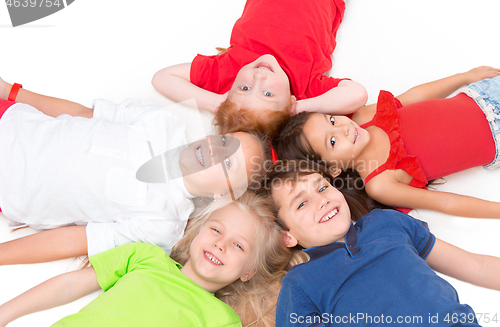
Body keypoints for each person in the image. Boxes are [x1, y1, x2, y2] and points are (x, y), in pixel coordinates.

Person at [0, 77, 271, 265]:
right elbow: (80, 114)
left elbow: (74, 240)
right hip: (11, 120)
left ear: (222, 194)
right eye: (225, 142)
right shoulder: (162, 122)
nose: (214, 151)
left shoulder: (163, 223)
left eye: (227, 163)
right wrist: (10, 91)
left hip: (8, 189)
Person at [258, 159, 500, 326]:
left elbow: (476, 265)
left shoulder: (387, 222)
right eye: (301, 203)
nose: (321, 200)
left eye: (322, 187)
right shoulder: (300, 282)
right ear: (287, 236)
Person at [0, 192, 292, 327]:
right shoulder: (146, 256)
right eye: (216, 230)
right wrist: (6, 313)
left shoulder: (223, 320)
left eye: (238, 245)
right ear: (198, 232)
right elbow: (69, 285)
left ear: (248, 272)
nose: (220, 244)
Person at [275, 66, 500, 218]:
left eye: (332, 119)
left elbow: (415, 96)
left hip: (483, 95)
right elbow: (445, 203)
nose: (343, 128)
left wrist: (466, 76)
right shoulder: (379, 183)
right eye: (332, 141)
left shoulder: (365, 117)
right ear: (334, 169)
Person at [151, 0, 367, 138]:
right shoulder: (303, 89)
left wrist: (218, 104)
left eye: (244, 89)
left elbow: (161, 78)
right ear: (290, 102)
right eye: (268, 93)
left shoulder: (229, 70)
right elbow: (358, 94)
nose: (258, 78)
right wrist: (298, 109)